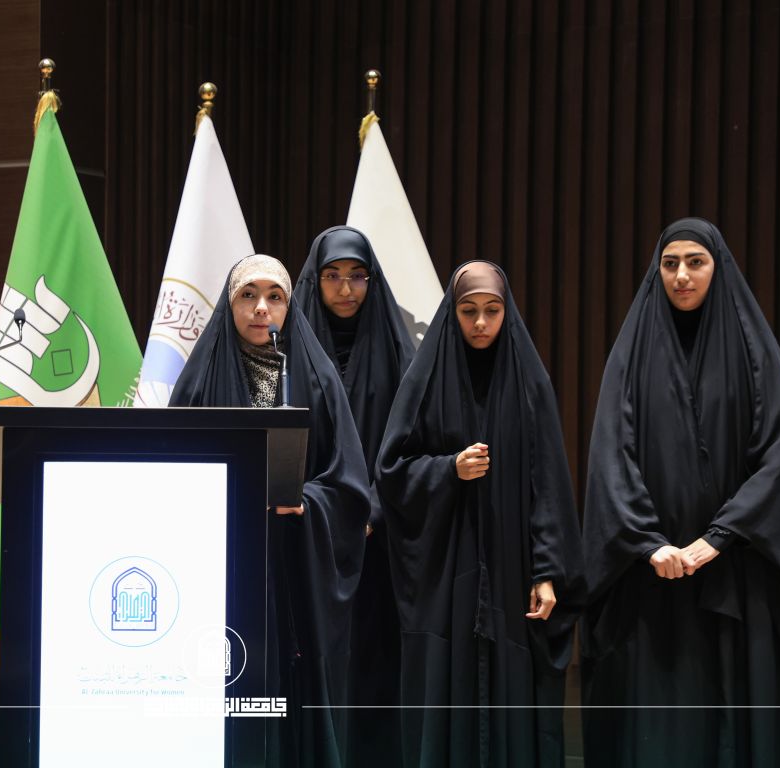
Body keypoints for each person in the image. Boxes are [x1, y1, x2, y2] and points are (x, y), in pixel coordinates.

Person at [581, 217, 780, 765]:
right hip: (651, 578)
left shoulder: (754, 353)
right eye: (670, 263)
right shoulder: (632, 354)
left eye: (695, 262)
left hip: (738, 571)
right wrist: (649, 543)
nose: (681, 275)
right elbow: (611, 455)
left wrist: (721, 536)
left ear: (717, 268)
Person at [375, 261, 582, 767]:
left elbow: (549, 485)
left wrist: (547, 571)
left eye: (492, 310)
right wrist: (448, 469)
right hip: (448, 570)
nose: (481, 322)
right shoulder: (426, 380)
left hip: (514, 568)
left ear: (507, 312)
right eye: (469, 311)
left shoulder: (530, 383)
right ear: (453, 313)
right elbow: (392, 471)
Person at [170, 254, 370, 768]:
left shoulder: (317, 380)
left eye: (275, 297)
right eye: (248, 295)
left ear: (288, 306)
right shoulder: (200, 379)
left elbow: (349, 486)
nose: (262, 308)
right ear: (229, 305)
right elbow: (170, 470)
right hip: (219, 562)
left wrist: (307, 502)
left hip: (293, 563)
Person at [292, 225, 414, 766]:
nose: (346, 289)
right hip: (309, 530)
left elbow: (413, 442)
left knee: (373, 656)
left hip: (379, 538)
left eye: (358, 276)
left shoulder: (399, 351)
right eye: (333, 276)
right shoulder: (287, 349)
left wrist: (372, 508)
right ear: (314, 281)